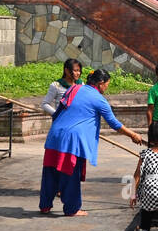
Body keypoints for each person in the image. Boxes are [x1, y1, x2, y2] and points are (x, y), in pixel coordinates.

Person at [40, 68, 144, 216]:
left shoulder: (74, 88)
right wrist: (133, 135)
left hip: (55, 134)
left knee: (50, 172)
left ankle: (45, 206)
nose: (107, 88)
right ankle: (72, 209)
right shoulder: (99, 99)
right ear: (101, 83)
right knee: (70, 174)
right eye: (107, 84)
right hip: (72, 140)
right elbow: (114, 123)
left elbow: (60, 110)